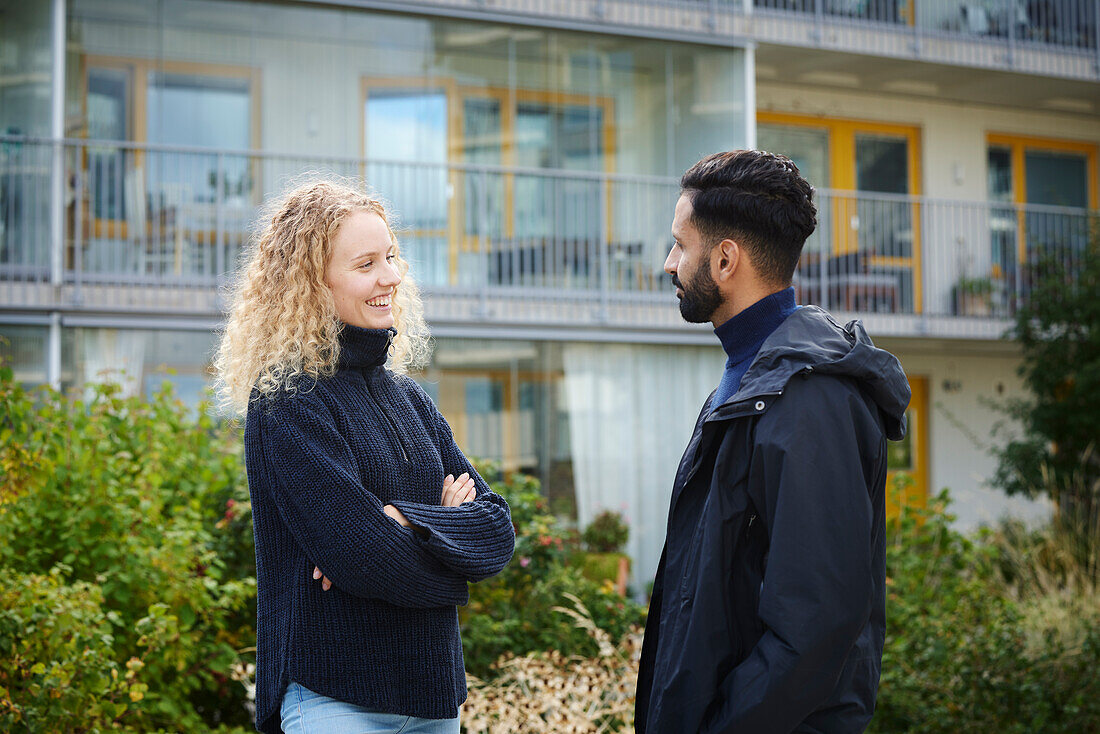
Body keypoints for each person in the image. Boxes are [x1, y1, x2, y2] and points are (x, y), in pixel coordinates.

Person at [214, 180, 515, 734]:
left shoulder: (410, 399)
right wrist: (448, 547)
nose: (392, 277)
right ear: (312, 283)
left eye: (392, 257)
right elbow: (364, 559)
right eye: (367, 263)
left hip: (432, 704)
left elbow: (496, 531)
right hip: (333, 703)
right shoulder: (288, 402)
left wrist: (403, 520)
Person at [635, 151, 910, 733]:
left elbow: (817, 620)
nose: (669, 263)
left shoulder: (809, 401)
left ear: (726, 259)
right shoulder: (750, 378)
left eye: (681, 246)